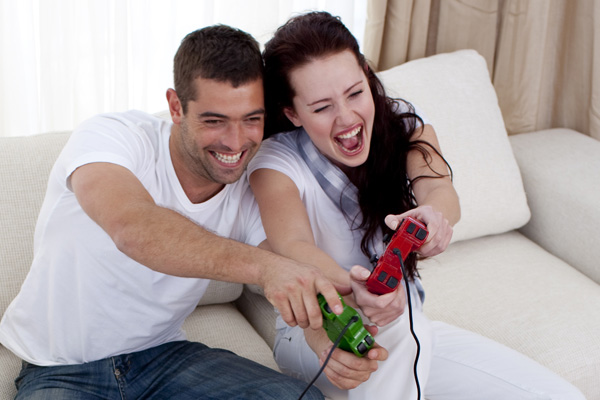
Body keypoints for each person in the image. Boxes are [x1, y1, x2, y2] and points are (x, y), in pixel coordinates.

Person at [248, 11, 586, 400]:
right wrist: (355, 289)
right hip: (318, 334)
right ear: (292, 113)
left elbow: (439, 189)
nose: (347, 118)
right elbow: (293, 246)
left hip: (405, 326)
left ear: (367, 75)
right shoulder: (275, 162)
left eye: (355, 93)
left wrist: (434, 217)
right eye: (322, 107)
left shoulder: (402, 123)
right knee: (399, 325)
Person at [0, 24, 344, 400]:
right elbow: (133, 228)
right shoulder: (112, 137)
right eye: (214, 121)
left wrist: (324, 340)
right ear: (176, 106)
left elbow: (290, 275)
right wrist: (265, 268)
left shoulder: (250, 187)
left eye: (251, 119)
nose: (235, 142)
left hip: (164, 359)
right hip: (60, 369)